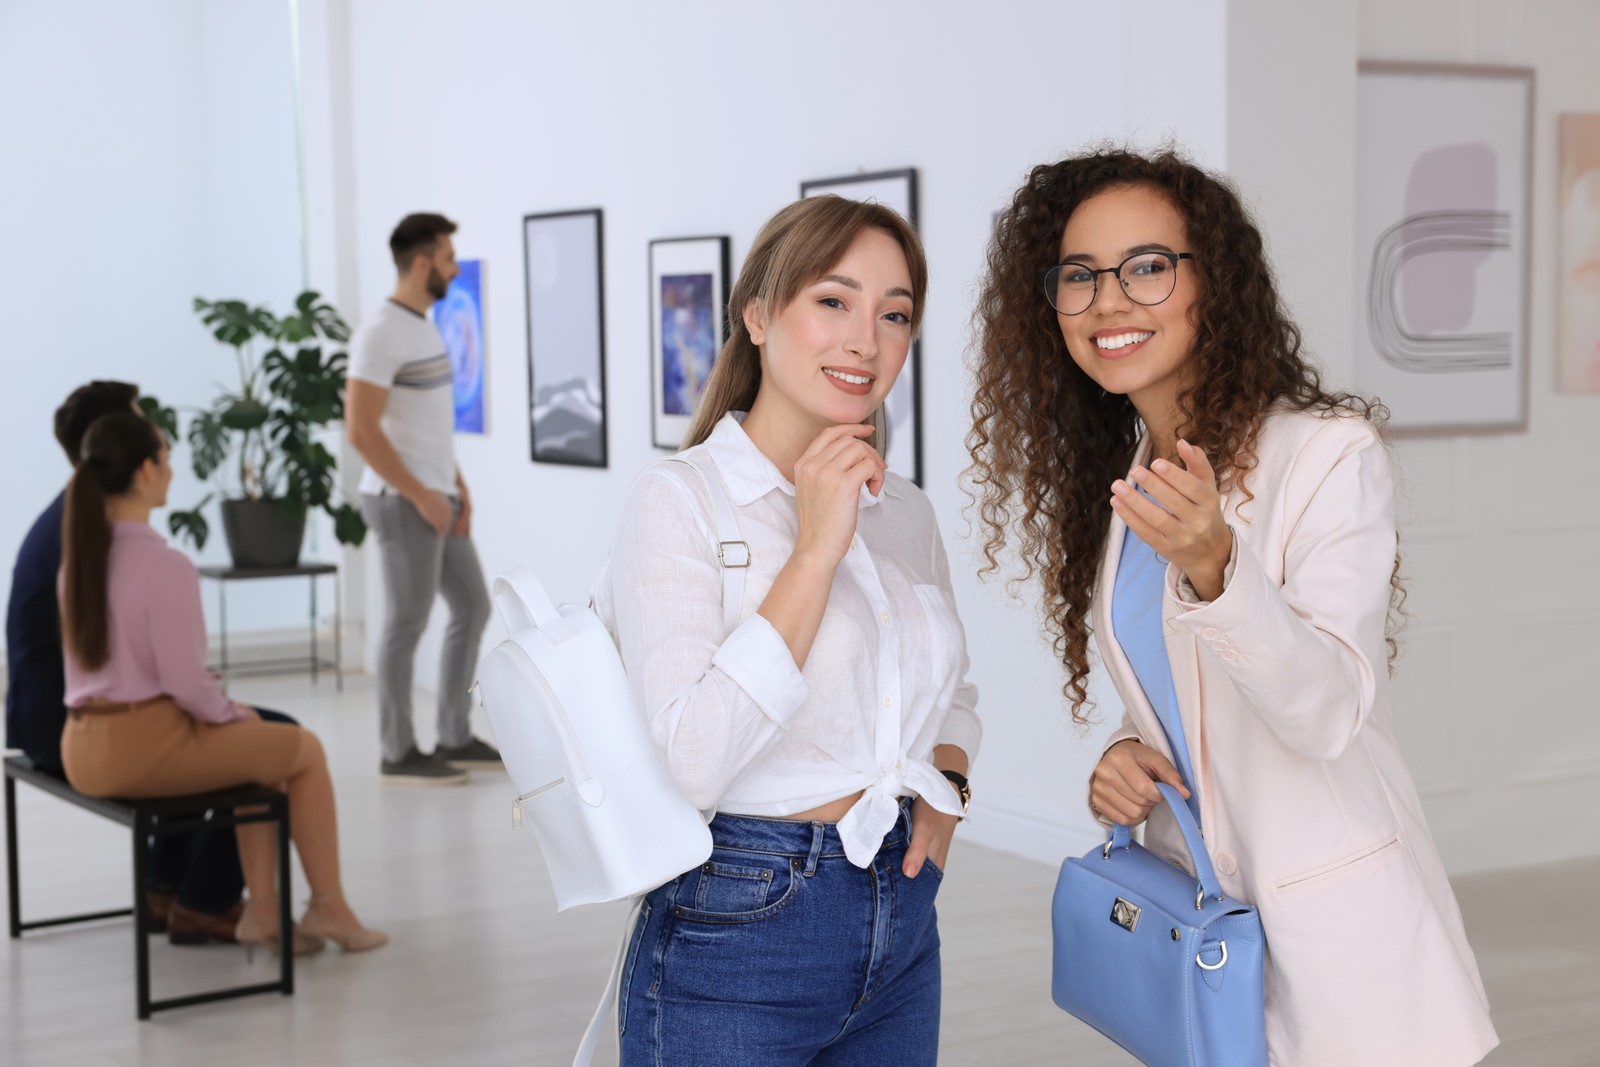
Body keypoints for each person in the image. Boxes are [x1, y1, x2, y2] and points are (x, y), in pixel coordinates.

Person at [967, 145, 1498, 1065]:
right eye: (1080, 276)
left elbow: (1328, 709)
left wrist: (1220, 566)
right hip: (1207, 933)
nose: (1108, 302)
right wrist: (1126, 761)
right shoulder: (1135, 481)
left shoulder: (1326, 455)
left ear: (1213, 283)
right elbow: (1188, 698)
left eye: (1146, 267)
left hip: (1341, 944)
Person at [592, 195, 981, 1064]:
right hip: (739, 923)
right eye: (833, 302)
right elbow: (692, 760)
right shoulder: (681, 502)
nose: (866, 341)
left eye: (895, 315)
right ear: (758, 315)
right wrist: (815, 547)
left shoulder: (905, 510)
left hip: (903, 919)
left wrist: (950, 781)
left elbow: (952, 689)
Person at [58, 410, 387, 956]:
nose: (170, 468)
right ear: (145, 470)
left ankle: (264, 914)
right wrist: (235, 714)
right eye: (165, 457)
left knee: (265, 752)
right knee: (302, 749)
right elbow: (187, 685)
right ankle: (329, 907)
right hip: (145, 747)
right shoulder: (164, 566)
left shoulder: (80, 560)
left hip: (83, 748)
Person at [5, 380, 296, 945]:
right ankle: (204, 902)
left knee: (196, 725)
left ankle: (166, 888)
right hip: (71, 727)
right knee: (268, 737)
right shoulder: (93, 532)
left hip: (48, 716)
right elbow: (168, 676)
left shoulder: (75, 517)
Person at [346, 212, 496, 785]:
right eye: (449, 257)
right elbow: (361, 430)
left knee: (472, 606)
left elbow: (424, 426)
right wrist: (420, 494)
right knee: (406, 624)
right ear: (421, 262)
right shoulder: (380, 332)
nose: (455, 268)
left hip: (437, 496)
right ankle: (398, 749)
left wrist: (456, 485)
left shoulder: (424, 325)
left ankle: (454, 735)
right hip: (401, 501)